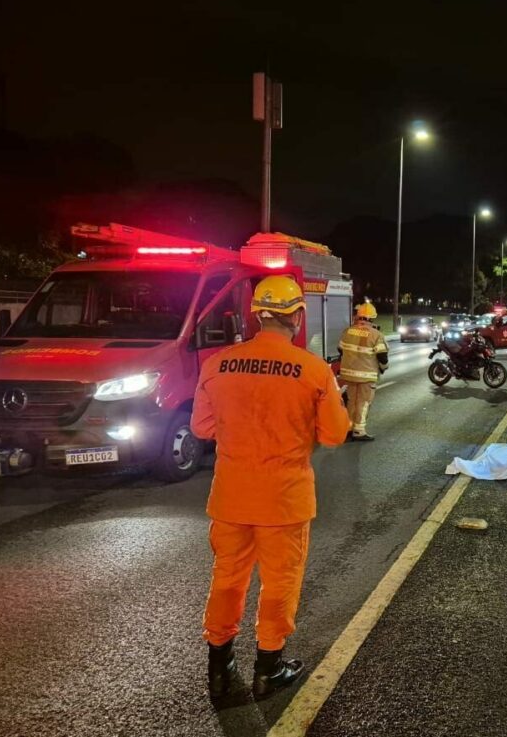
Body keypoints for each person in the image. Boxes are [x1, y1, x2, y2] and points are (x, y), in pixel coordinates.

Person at [191, 275, 351, 699]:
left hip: (230, 497)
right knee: (280, 583)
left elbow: (202, 426)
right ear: (298, 317)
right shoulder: (313, 370)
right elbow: (335, 434)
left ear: (257, 316)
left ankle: (219, 669)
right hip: (284, 500)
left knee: (227, 578)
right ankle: (269, 667)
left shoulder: (218, 364)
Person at [338, 300, 390, 442]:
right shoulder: (376, 334)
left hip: (349, 374)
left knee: (351, 402)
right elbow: (382, 356)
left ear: (358, 316)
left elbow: (340, 349)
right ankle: (359, 431)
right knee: (363, 402)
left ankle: (348, 428)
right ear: (372, 318)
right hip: (367, 376)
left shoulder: (348, 331)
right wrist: (383, 368)